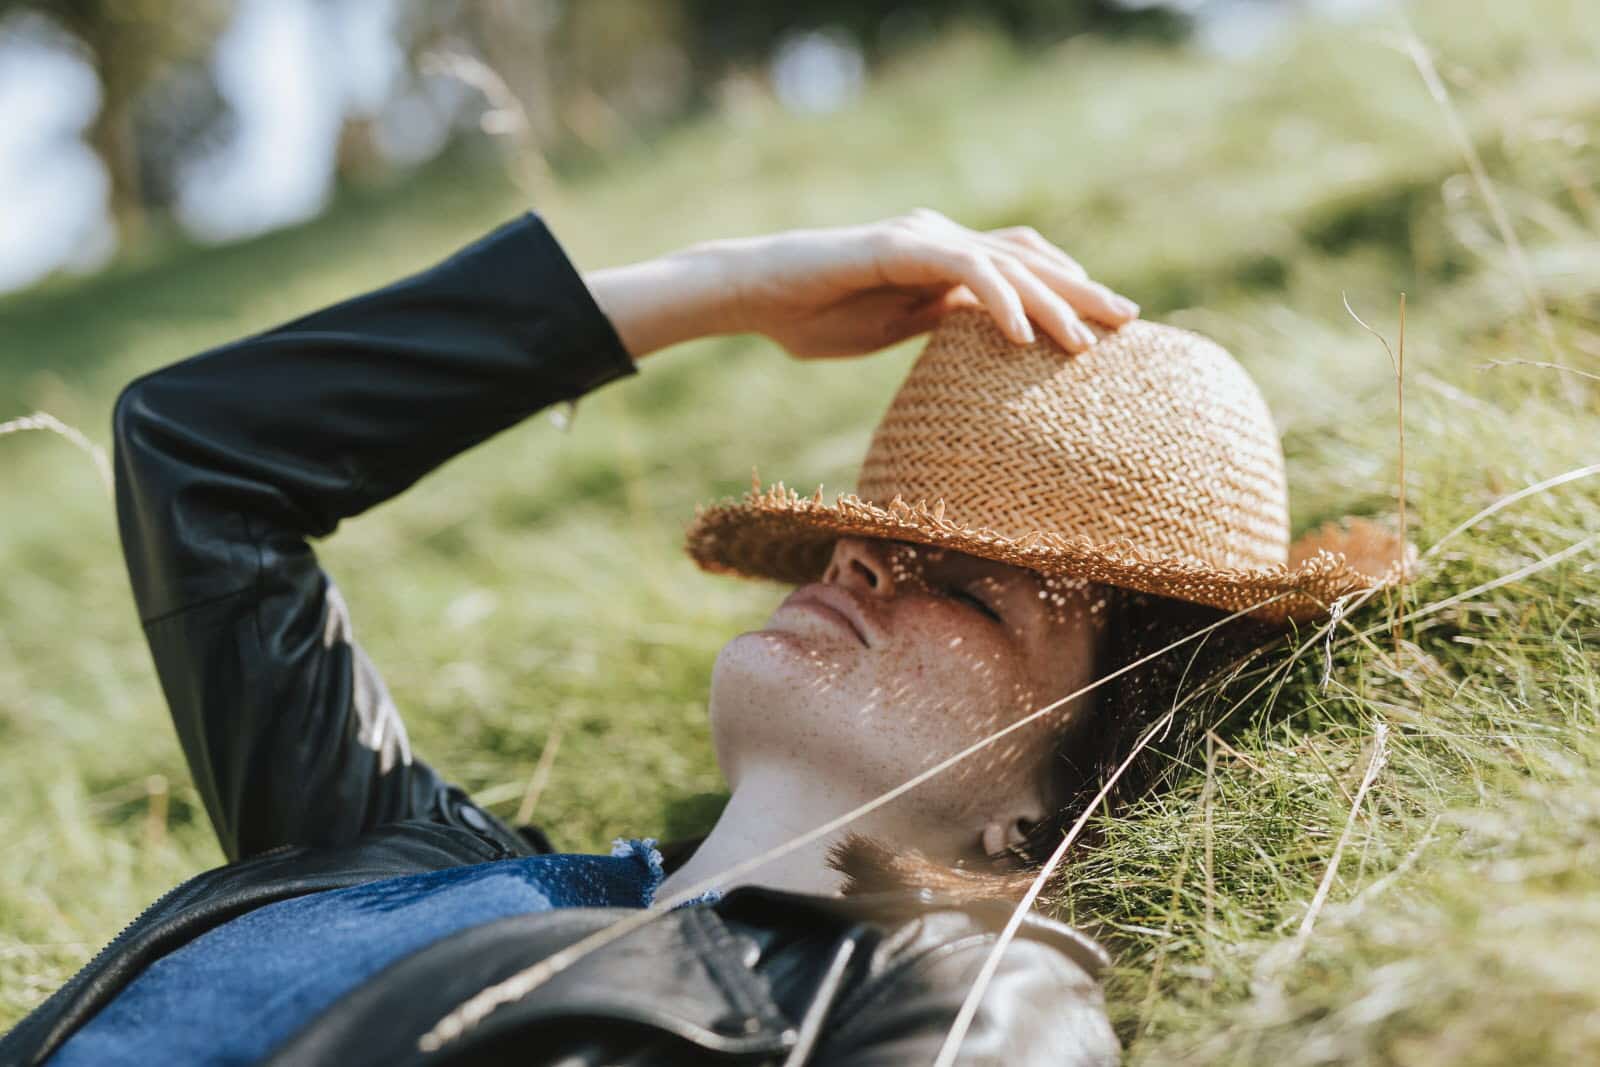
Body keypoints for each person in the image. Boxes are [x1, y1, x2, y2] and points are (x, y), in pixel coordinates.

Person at [2, 210, 1405, 1067]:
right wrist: (725, 287)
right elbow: (199, 456)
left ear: (1045, 806)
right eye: (880, 527)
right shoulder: (402, 855)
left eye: (976, 589)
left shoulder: (964, 996)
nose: (865, 555)